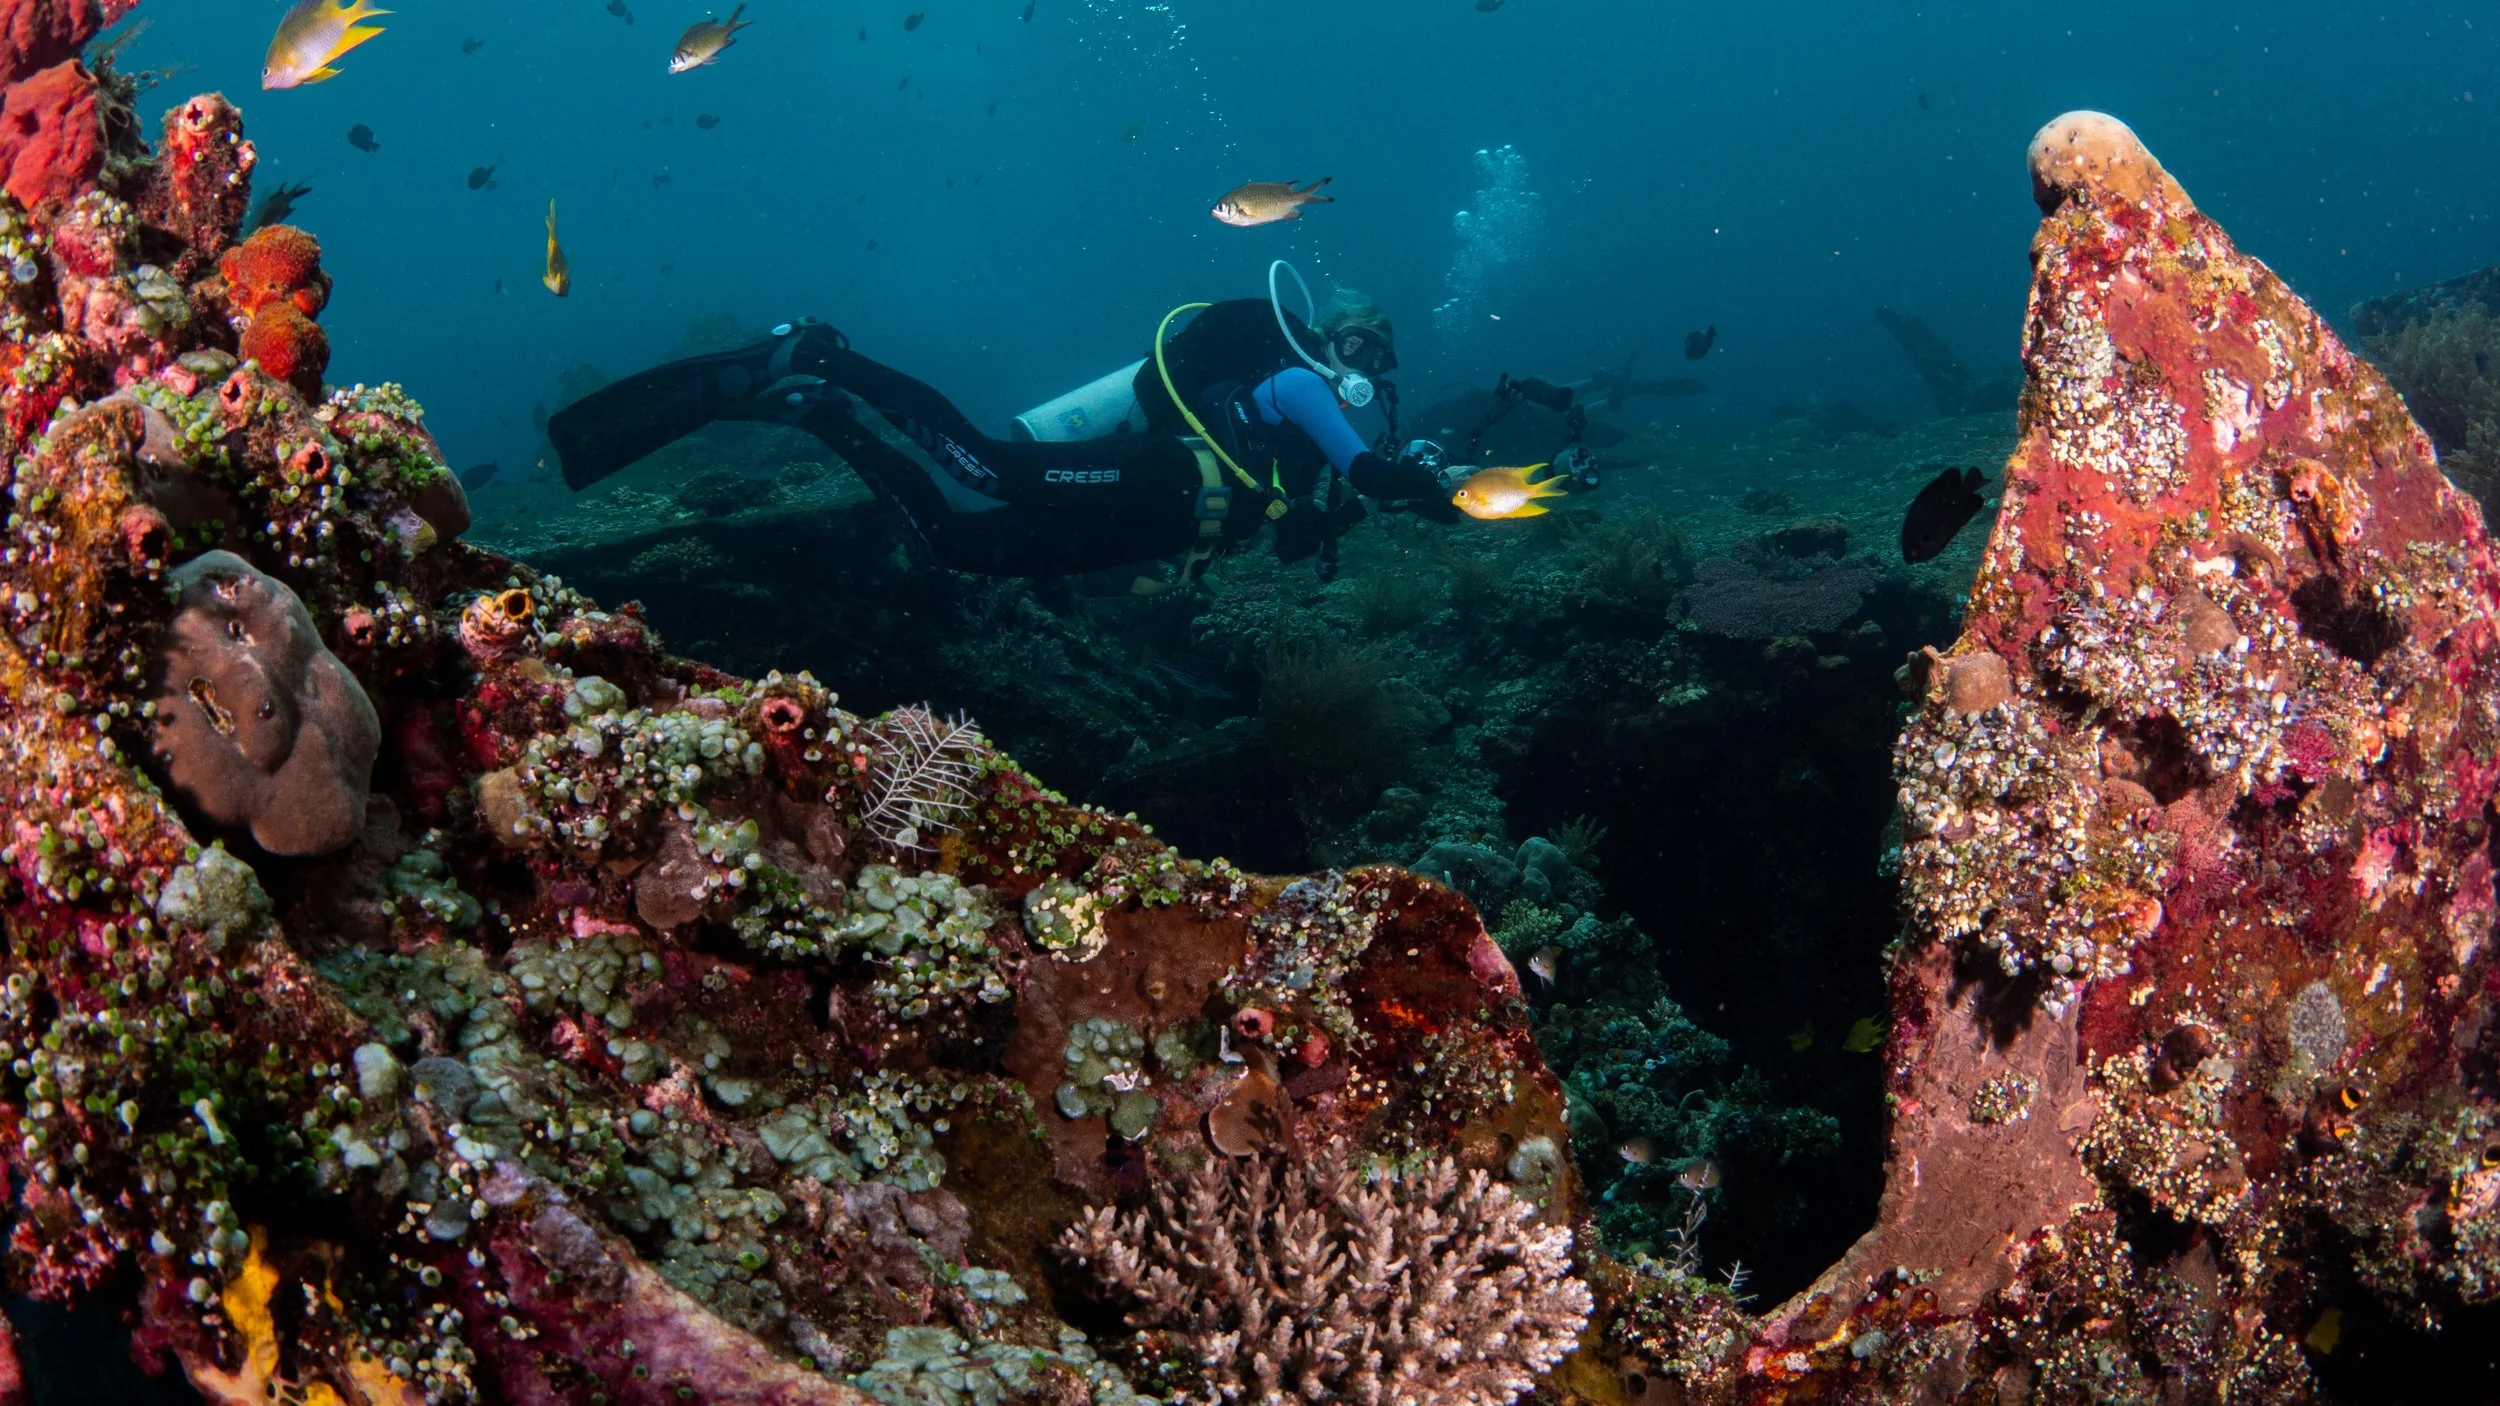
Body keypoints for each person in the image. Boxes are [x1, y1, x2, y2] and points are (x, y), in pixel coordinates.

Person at [546, 284, 1458, 592]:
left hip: (1164, 528)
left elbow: (1314, 512)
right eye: (1354, 343)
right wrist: (1433, 482)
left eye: (1377, 355)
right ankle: (819, 356)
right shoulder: (1298, 380)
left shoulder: (1311, 431)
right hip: (1163, 481)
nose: (1362, 362)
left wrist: (1322, 521)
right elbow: (1372, 472)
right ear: (1323, 338)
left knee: (952, 546)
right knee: (984, 463)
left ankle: (822, 417)